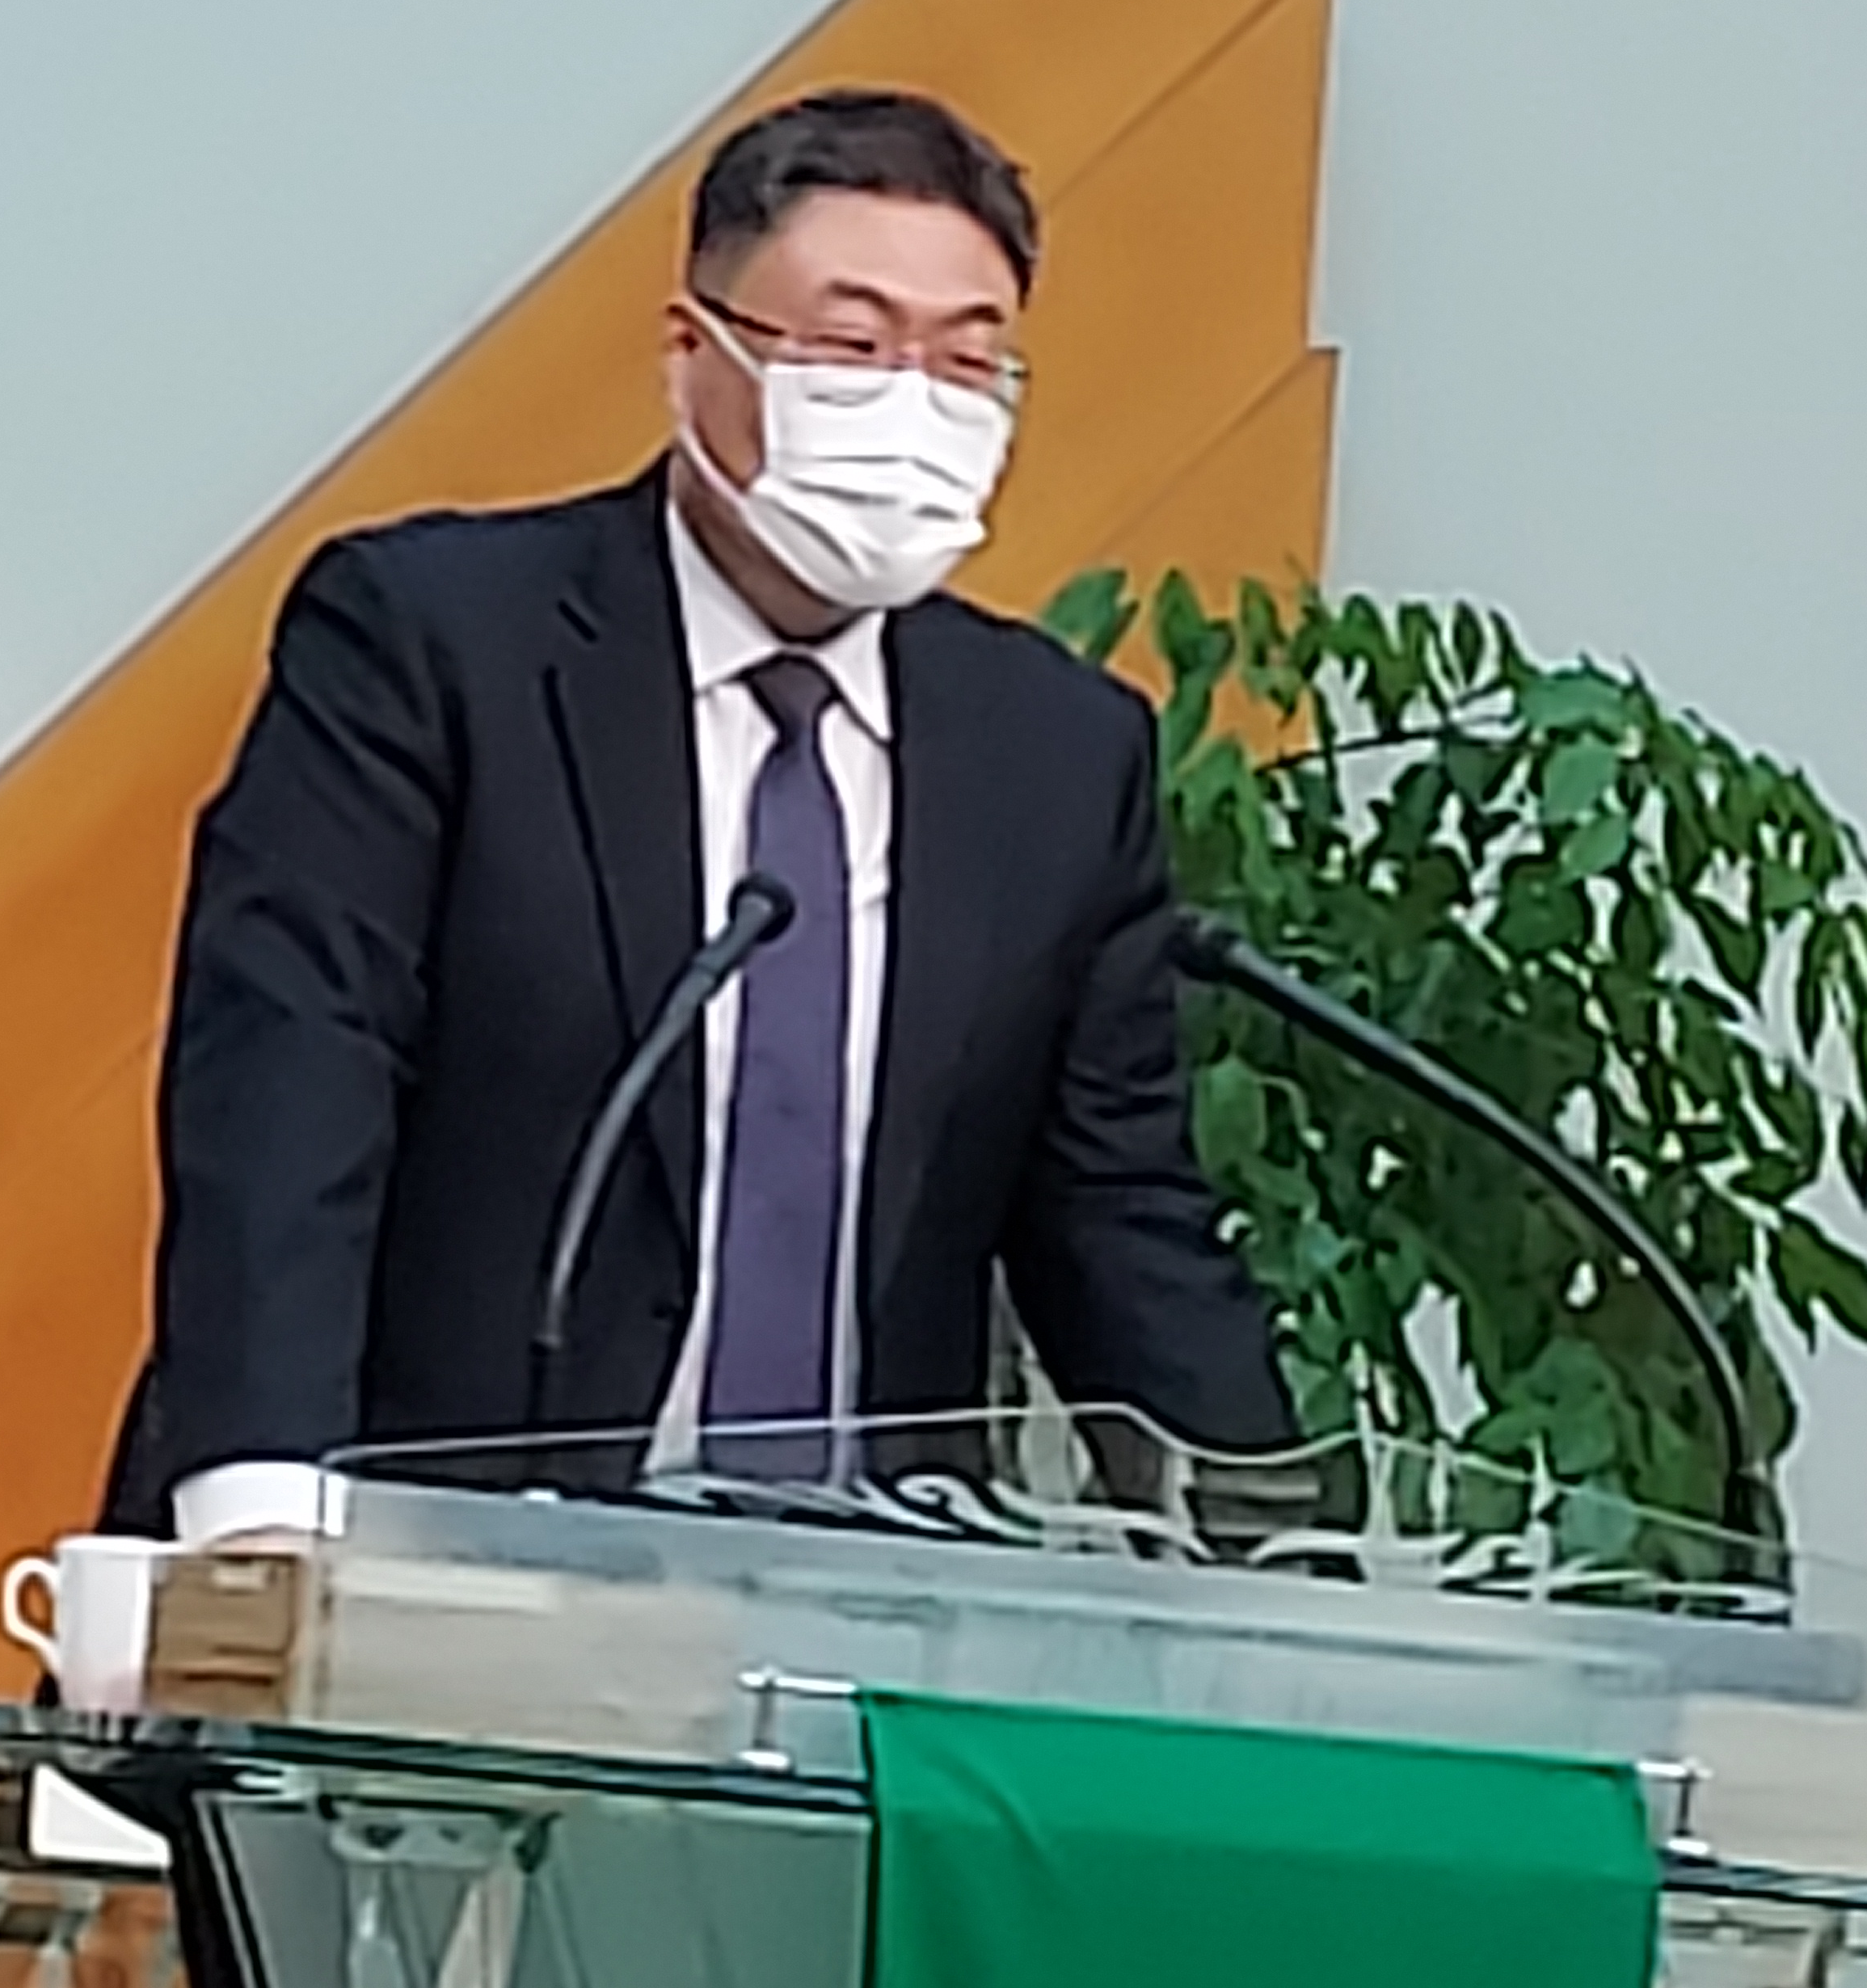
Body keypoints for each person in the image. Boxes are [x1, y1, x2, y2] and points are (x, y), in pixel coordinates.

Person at [99, 87, 1292, 1544]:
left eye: (967, 362)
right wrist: (264, 1518)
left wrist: (1288, 1560)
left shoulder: (1055, 751)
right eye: (852, 347)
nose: (912, 407)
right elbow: (291, 1086)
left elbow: (1118, 1210)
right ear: (692, 351)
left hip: (855, 1592)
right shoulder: (434, 642)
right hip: (431, 1550)